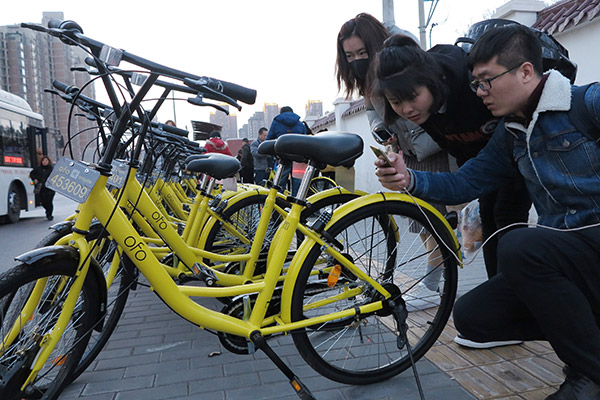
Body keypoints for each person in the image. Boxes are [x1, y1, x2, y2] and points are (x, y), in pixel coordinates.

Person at [375, 24, 600, 399]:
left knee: (518, 245)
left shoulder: (586, 104)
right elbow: (464, 182)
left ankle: (588, 374)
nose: (479, 93)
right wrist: (406, 177)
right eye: (475, 84)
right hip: (568, 257)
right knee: (474, 316)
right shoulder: (510, 134)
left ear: (526, 71)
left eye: (486, 81)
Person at [372, 33, 532, 281]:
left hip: (517, 155)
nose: (406, 110)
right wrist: (405, 177)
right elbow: (463, 180)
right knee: (490, 219)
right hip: (483, 165)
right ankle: (502, 292)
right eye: (395, 102)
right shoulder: (426, 109)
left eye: (412, 97)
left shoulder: (473, 88)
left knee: (506, 218)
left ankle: (512, 293)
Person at [336, 13, 450, 292]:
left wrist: (422, 134)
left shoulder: (401, 53)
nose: (356, 61)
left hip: (433, 145)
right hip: (407, 149)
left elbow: (431, 96)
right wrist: (382, 131)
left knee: (433, 218)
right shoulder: (367, 78)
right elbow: (374, 108)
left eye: (362, 52)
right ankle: (438, 281)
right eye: (349, 56)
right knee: (422, 219)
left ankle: (432, 285)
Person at [267, 106, 306, 195]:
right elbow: (305, 140)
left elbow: (268, 140)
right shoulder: (300, 124)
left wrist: (274, 154)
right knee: (297, 185)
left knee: (279, 185)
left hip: (282, 157)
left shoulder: (276, 123)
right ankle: (295, 206)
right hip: (298, 159)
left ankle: (280, 204)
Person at [30, 156, 56, 221]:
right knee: (43, 201)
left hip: (50, 188)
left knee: (49, 201)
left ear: (48, 161)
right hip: (41, 188)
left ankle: (49, 214)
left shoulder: (52, 169)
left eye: (46, 161)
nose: (44, 162)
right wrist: (35, 179)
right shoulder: (38, 168)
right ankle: (47, 210)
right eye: (43, 161)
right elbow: (32, 174)